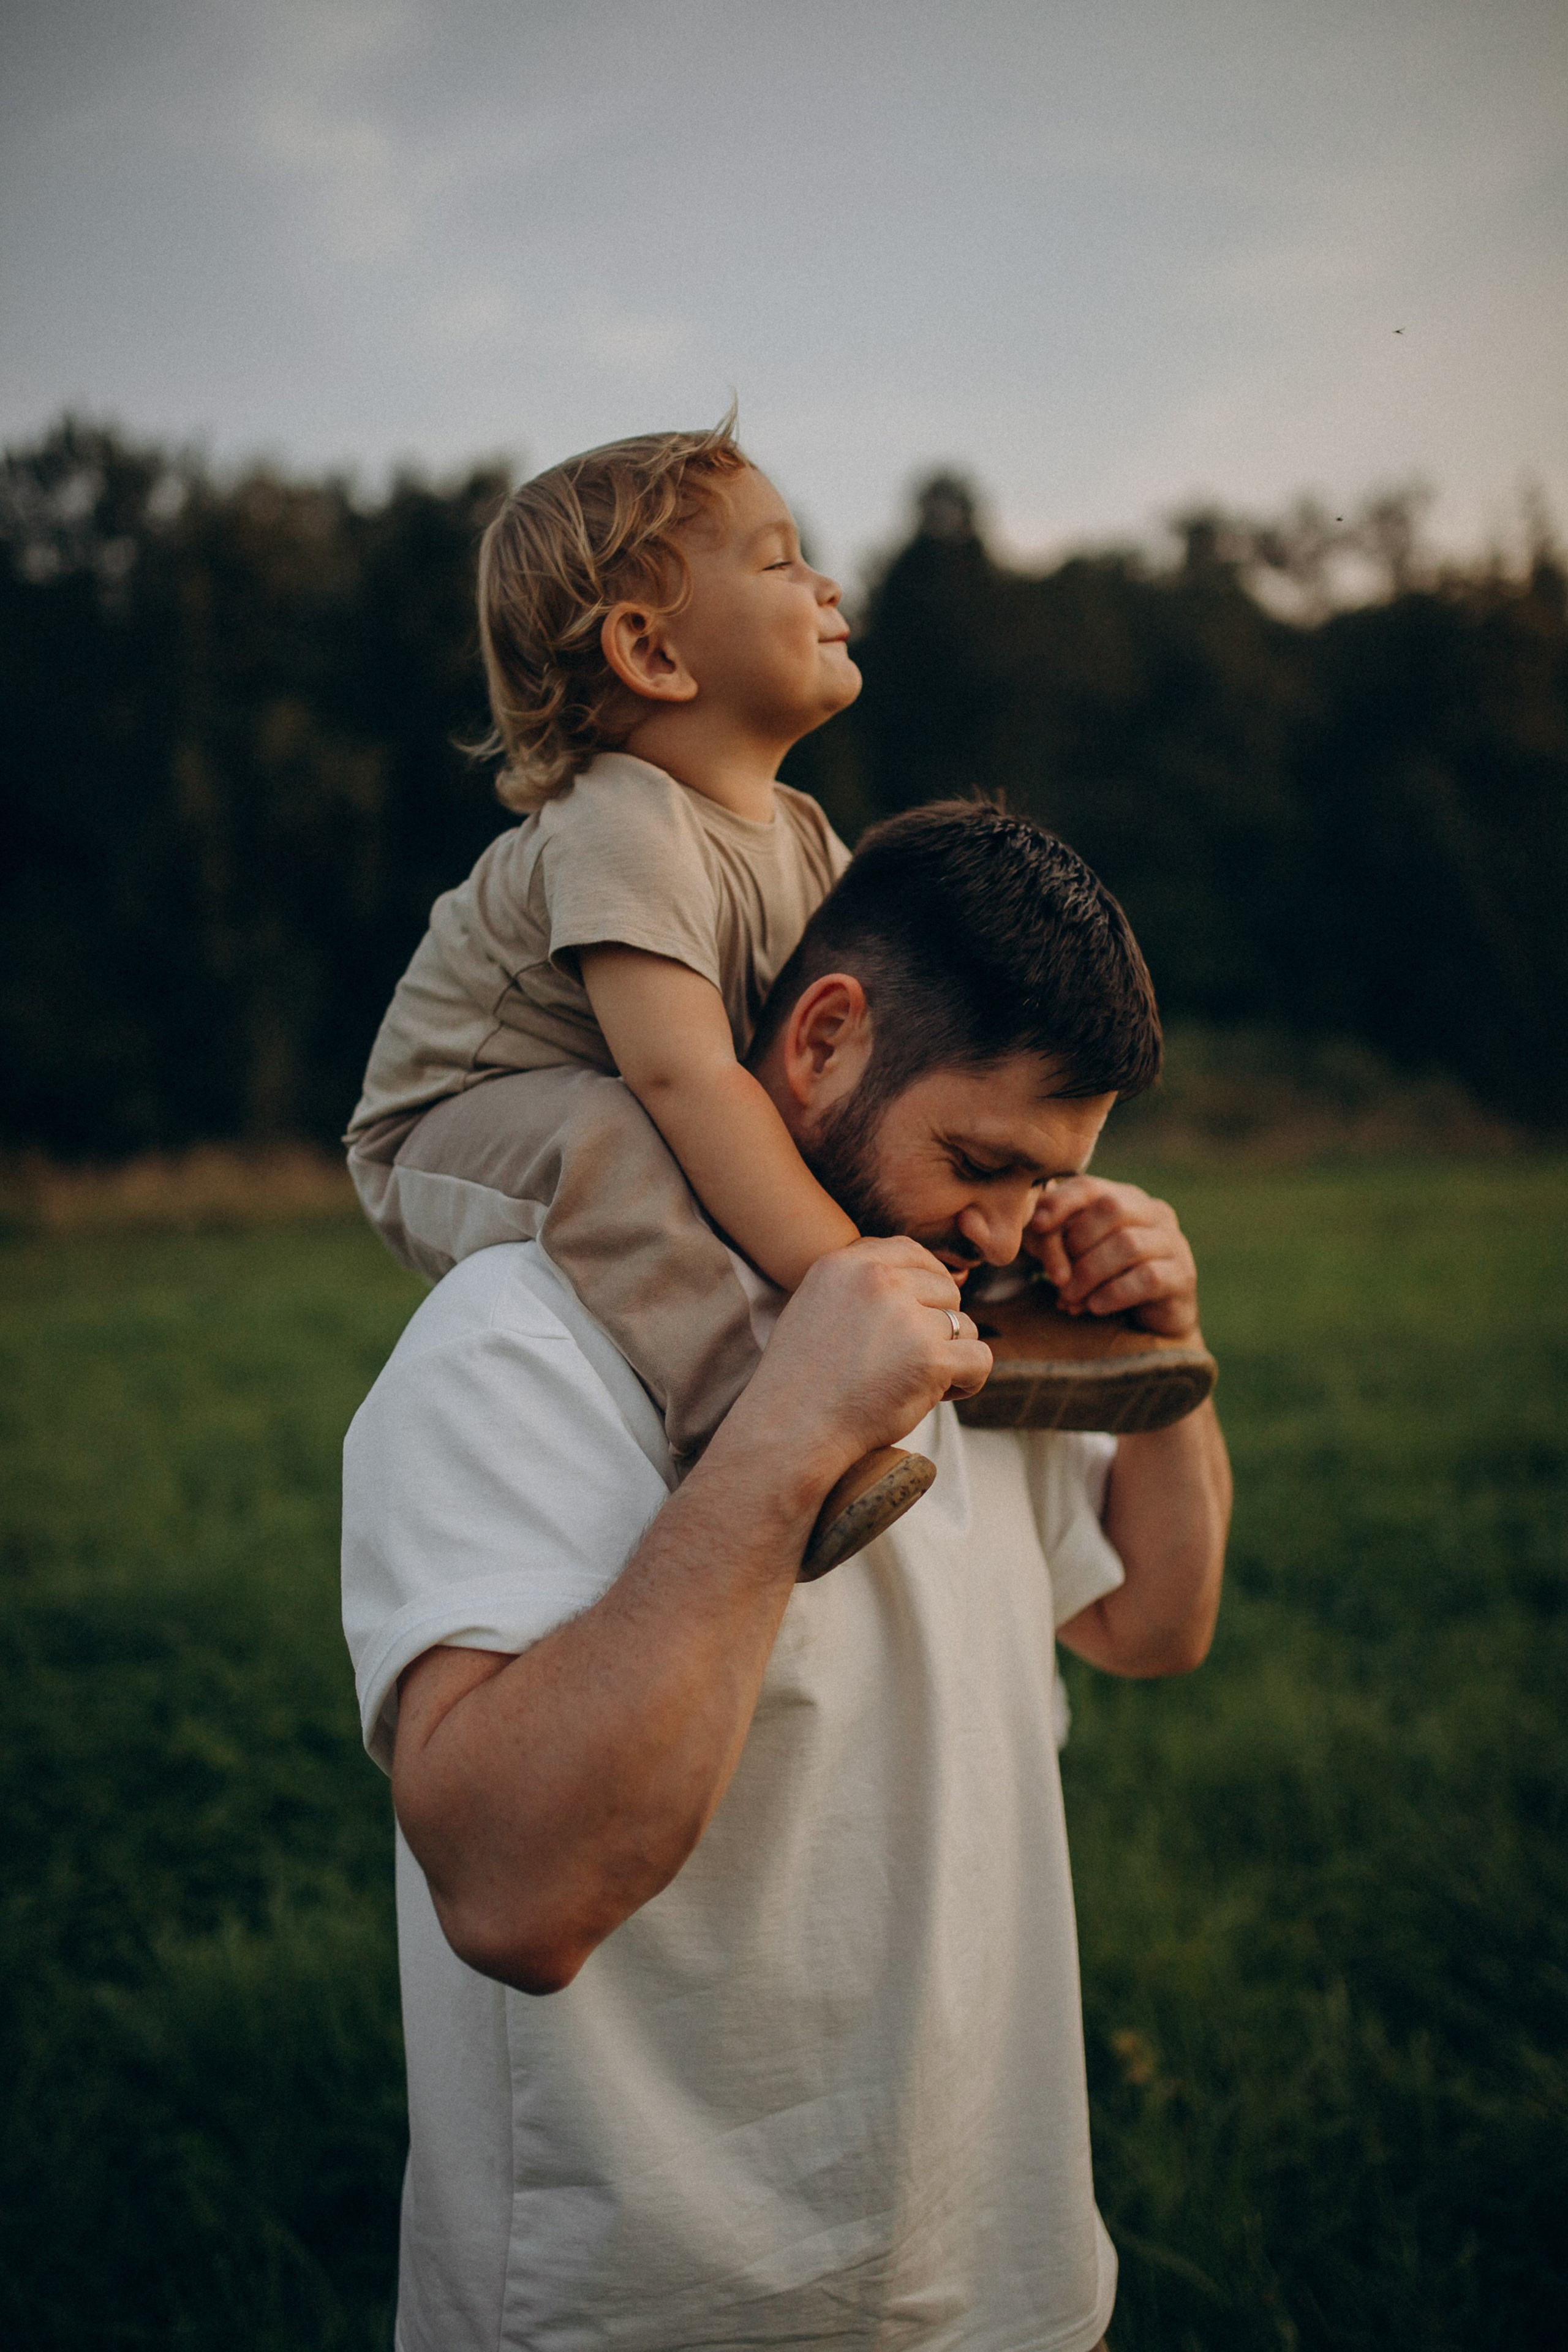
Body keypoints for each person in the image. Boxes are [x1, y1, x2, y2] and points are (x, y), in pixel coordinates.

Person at [341, 802, 1232, 2351]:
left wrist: (1160, 1359)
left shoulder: (976, 1312)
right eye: (980, 1160)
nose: (1005, 1224)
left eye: (1045, 1180)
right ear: (821, 1037)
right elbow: (511, 1895)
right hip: (635, 2314)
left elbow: (1158, 1622)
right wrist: (781, 1441)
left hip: (1001, 2288)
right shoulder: (516, 1343)